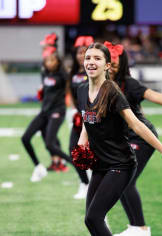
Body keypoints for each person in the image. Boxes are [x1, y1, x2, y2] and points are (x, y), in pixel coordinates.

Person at [76, 43, 162, 236]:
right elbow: (86, 122)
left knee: (94, 218)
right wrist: (81, 146)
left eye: (97, 58)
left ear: (107, 65)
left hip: (120, 165)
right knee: (91, 219)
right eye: (88, 58)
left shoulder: (112, 92)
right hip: (100, 164)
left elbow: (137, 125)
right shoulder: (81, 90)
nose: (91, 62)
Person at [103, 41, 162, 236]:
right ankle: (136, 228)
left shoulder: (129, 83)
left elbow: (152, 95)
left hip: (141, 137)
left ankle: (141, 229)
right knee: (122, 182)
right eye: (108, 62)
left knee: (125, 181)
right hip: (125, 138)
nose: (110, 67)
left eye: (115, 64)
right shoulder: (102, 83)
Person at [21, 48, 71, 182]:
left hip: (57, 112)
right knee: (25, 138)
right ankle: (38, 167)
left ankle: (74, 164)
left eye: (52, 60)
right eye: (47, 60)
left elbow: (69, 87)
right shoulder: (44, 74)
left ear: (58, 61)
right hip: (44, 111)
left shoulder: (63, 75)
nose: (49, 63)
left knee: (50, 143)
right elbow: (44, 92)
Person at [68, 36, 94, 199]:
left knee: (98, 155)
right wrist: (73, 108)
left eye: (84, 52)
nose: (81, 55)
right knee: (73, 151)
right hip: (79, 119)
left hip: (93, 118)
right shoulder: (74, 72)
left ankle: (102, 188)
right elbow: (70, 92)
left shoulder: (93, 70)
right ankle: (84, 183)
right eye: (79, 52)